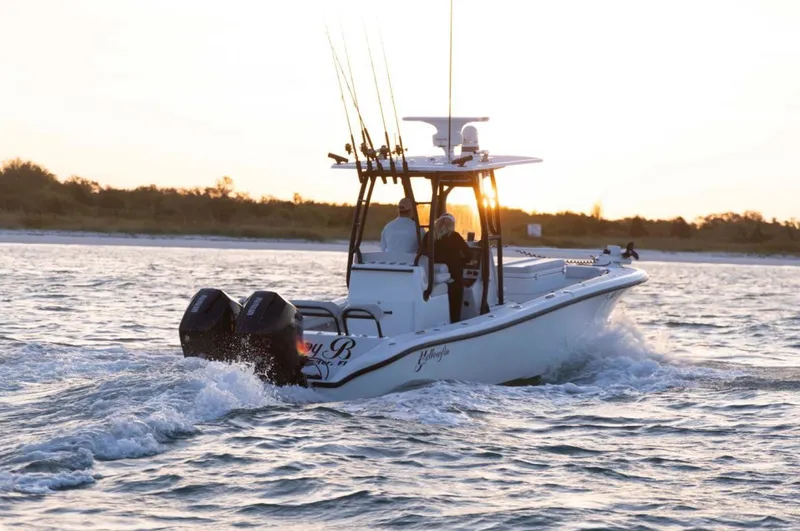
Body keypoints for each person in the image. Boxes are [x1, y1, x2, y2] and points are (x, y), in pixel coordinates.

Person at [420, 213, 472, 323]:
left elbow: (423, 253)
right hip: (453, 277)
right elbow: (469, 255)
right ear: (452, 225)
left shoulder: (428, 236)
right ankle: (455, 323)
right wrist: (460, 262)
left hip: (430, 276)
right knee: (456, 305)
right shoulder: (454, 236)